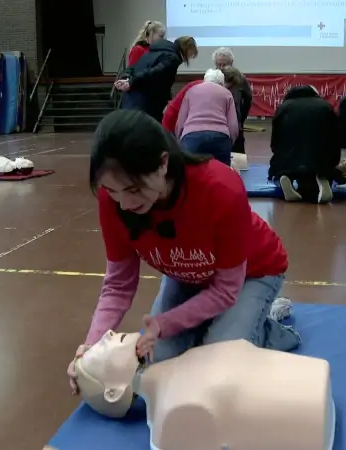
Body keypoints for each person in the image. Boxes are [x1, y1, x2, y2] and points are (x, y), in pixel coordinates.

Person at [73, 109, 300, 369]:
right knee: (155, 361)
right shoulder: (112, 200)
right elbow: (118, 286)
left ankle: (268, 329)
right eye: (113, 191)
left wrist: (165, 323)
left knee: (218, 363)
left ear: (163, 163)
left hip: (253, 272)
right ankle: (230, 323)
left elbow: (226, 290)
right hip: (189, 274)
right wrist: (90, 350)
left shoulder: (220, 188)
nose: (124, 203)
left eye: (134, 189)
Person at [268, 85, 341, 204]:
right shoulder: (325, 106)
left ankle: (285, 179)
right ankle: (323, 179)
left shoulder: (283, 108)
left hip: (289, 159)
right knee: (316, 173)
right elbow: (335, 138)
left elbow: (275, 142)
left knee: (280, 171)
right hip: (319, 160)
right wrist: (333, 162)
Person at [115, 36, 198, 122]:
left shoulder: (154, 51)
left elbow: (134, 68)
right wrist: (131, 82)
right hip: (147, 104)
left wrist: (128, 79)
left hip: (132, 99)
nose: (190, 57)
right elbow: (155, 74)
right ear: (187, 49)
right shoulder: (172, 58)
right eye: (191, 54)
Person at [175, 69, 240, 165]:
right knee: (222, 173)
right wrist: (230, 141)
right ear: (221, 82)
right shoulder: (226, 93)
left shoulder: (191, 91)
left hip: (192, 135)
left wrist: (180, 139)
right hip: (220, 136)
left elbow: (181, 120)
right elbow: (233, 124)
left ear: (205, 79)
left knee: (189, 171)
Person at [212, 47, 252, 154]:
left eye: (224, 65)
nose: (221, 68)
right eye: (218, 64)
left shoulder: (240, 78)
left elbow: (248, 99)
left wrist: (241, 119)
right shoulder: (211, 78)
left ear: (231, 63)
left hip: (236, 124)